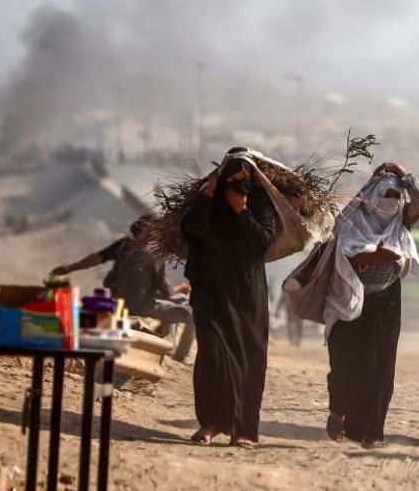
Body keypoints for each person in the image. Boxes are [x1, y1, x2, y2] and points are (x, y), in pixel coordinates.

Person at [325, 163, 419, 449]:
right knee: (347, 361)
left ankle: (369, 432)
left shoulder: (401, 222)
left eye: (397, 196)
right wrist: (369, 258)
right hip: (351, 299)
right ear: (373, 195)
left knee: (381, 366)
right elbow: (342, 254)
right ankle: (338, 411)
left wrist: (404, 174)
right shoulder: (351, 219)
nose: (392, 201)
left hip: (387, 301)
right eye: (387, 195)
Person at [182, 148, 278, 448]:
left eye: (243, 178)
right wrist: (209, 197)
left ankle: (243, 429)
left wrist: (241, 210)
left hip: (246, 293)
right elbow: (192, 231)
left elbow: (263, 243)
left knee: (248, 358)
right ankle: (211, 422)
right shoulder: (207, 198)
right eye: (231, 178)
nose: (237, 183)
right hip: (210, 289)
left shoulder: (260, 201)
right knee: (212, 352)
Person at [51, 214, 194, 362]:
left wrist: (70, 268)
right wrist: (181, 289)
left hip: (116, 302)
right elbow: (166, 291)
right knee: (187, 312)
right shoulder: (154, 257)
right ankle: (178, 354)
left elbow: (97, 259)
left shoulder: (123, 247)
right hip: (143, 306)